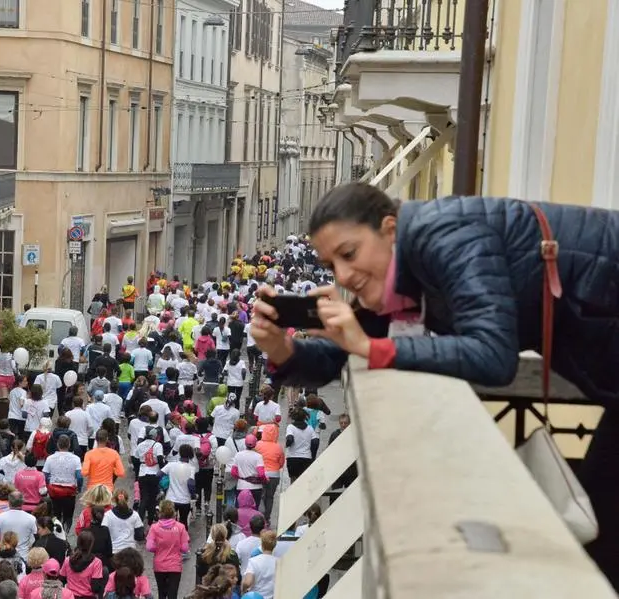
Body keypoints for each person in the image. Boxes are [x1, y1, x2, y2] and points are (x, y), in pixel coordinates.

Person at [252, 183, 619, 586]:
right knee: (602, 526)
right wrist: (282, 349)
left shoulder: (445, 234)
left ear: (390, 229)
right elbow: (339, 356)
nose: (343, 275)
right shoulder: (406, 272)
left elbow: (493, 357)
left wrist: (370, 347)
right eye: (331, 265)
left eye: (350, 253)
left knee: (603, 527)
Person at [146, 501, 189, 599]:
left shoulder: (154, 528)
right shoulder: (180, 527)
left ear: (160, 512)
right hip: (175, 566)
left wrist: (159, 547)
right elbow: (185, 548)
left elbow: (149, 547)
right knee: (172, 595)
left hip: (159, 565)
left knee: (161, 593)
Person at [42, 435, 83, 525]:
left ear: (57, 444)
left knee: (55, 514)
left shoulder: (50, 458)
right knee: (68, 516)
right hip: (69, 491)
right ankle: (66, 532)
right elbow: (79, 477)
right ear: (69, 445)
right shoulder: (76, 459)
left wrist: (47, 486)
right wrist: (79, 488)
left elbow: (44, 475)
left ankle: (55, 531)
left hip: (54, 491)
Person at [59, 530, 105, 599]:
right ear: (91, 544)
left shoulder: (67, 560)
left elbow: (61, 579)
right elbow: (95, 588)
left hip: (70, 596)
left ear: (78, 542)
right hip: (88, 597)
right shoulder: (96, 562)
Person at [0, 492, 39, 560]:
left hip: (4, 557)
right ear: (23, 502)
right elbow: (37, 537)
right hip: (23, 557)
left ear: (9, 502)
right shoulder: (31, 518)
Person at [161, 444, 197, 531]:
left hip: (170, 499)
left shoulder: (171, 465)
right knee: (183, 521)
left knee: (169, 521)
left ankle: (170, 536)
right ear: (190, 454)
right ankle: (182, 538)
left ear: (180, 453)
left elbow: (159, 474)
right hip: (184, 500)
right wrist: (193, 495)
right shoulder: (191, 468)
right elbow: (191, 484)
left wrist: (163, 485)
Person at [134, 427, 165, 524]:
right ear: (156, 437)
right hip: (154, 474)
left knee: (143, 498)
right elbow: (160, 459)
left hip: (142, 474)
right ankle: (150, 521)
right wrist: (163, 470)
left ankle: (139, 521)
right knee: (152, 499)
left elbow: (135, 460)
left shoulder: (140, 445)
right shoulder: (158, 445)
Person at [254, 425, 285, 521]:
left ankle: (260, 516)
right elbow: (281, 463)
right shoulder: (278, 447)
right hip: (274, 475)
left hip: (261, 474)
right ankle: (267, 518)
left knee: (261, 496)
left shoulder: (258, 445)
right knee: (270, 497)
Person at [230, 434, 267, 507]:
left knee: (240, 509)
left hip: (241, 486)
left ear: (245, 443)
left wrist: (241, 477)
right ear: (255, 444)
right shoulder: (258, 457)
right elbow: (261, 474)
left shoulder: (238, 455)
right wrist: (265, 480)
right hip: (256, 488)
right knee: (254, 509)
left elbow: (233, 472)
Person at [285, 408, 318, 484]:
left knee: (293, 480)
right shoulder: (310, 428)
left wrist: (287, 445)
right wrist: (312, 455)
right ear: (305, 417)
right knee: (304, 482)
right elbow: (315, 442)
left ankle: (293, 495)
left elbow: (290, 439)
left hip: (292, 458)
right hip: (306, 458)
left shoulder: (290, 427)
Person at [242, 531, 278, 599]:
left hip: (255, 596)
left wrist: (243, 590)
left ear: (262, 544)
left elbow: (247, 582)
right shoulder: (279, 562)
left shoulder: (253, 561)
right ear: (274, 545)